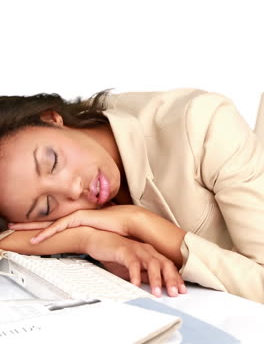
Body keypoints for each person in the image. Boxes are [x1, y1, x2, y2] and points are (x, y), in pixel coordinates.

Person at [0, 87, 263, 304]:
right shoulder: (70, 206)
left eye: (53, 162)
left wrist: (138, 221)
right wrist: (86, 239)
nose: (71, 189)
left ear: (52, 119)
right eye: (46, 206)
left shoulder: (201, 124)